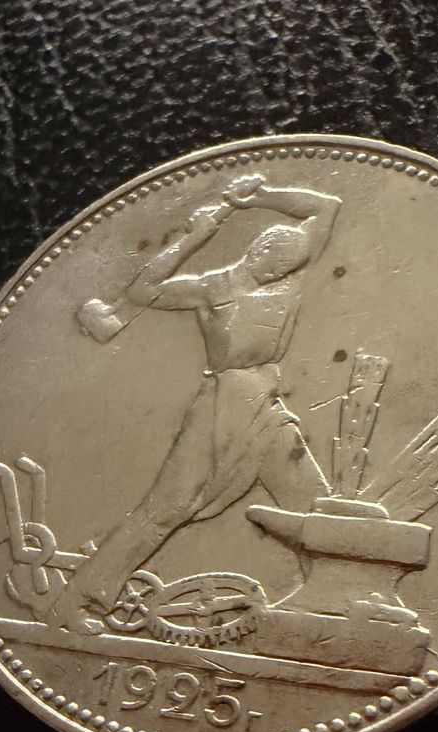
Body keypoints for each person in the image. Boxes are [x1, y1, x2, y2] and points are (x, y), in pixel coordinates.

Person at [48, 172, 342, 632]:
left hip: (267, 407)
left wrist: (258, 197)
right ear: (256, 252)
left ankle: (332, 608)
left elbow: (325, 207)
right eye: (275, 266)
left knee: (315, 507)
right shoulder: (212, 288)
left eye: (289, 268)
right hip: (221, 408)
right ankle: (76, 602)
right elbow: (143, 291)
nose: (281, 276)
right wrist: (194, 237)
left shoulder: (291, 275)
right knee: (165, 509)